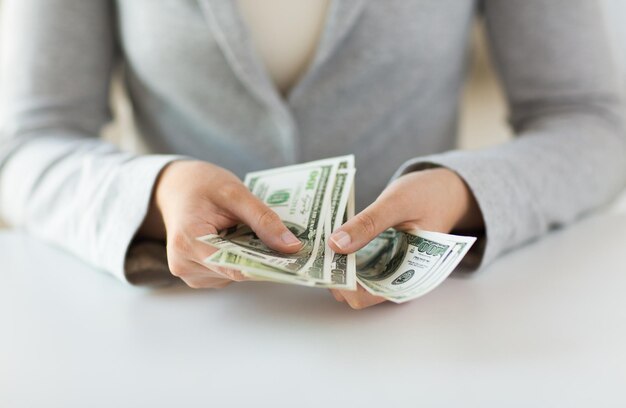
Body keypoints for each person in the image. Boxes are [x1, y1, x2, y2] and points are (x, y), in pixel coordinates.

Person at [0, 0, 624, 309]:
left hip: (426, 343)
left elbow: (592, 123)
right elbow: (27, 142)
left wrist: (462, 193)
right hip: (171, 338)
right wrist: (154, 195)